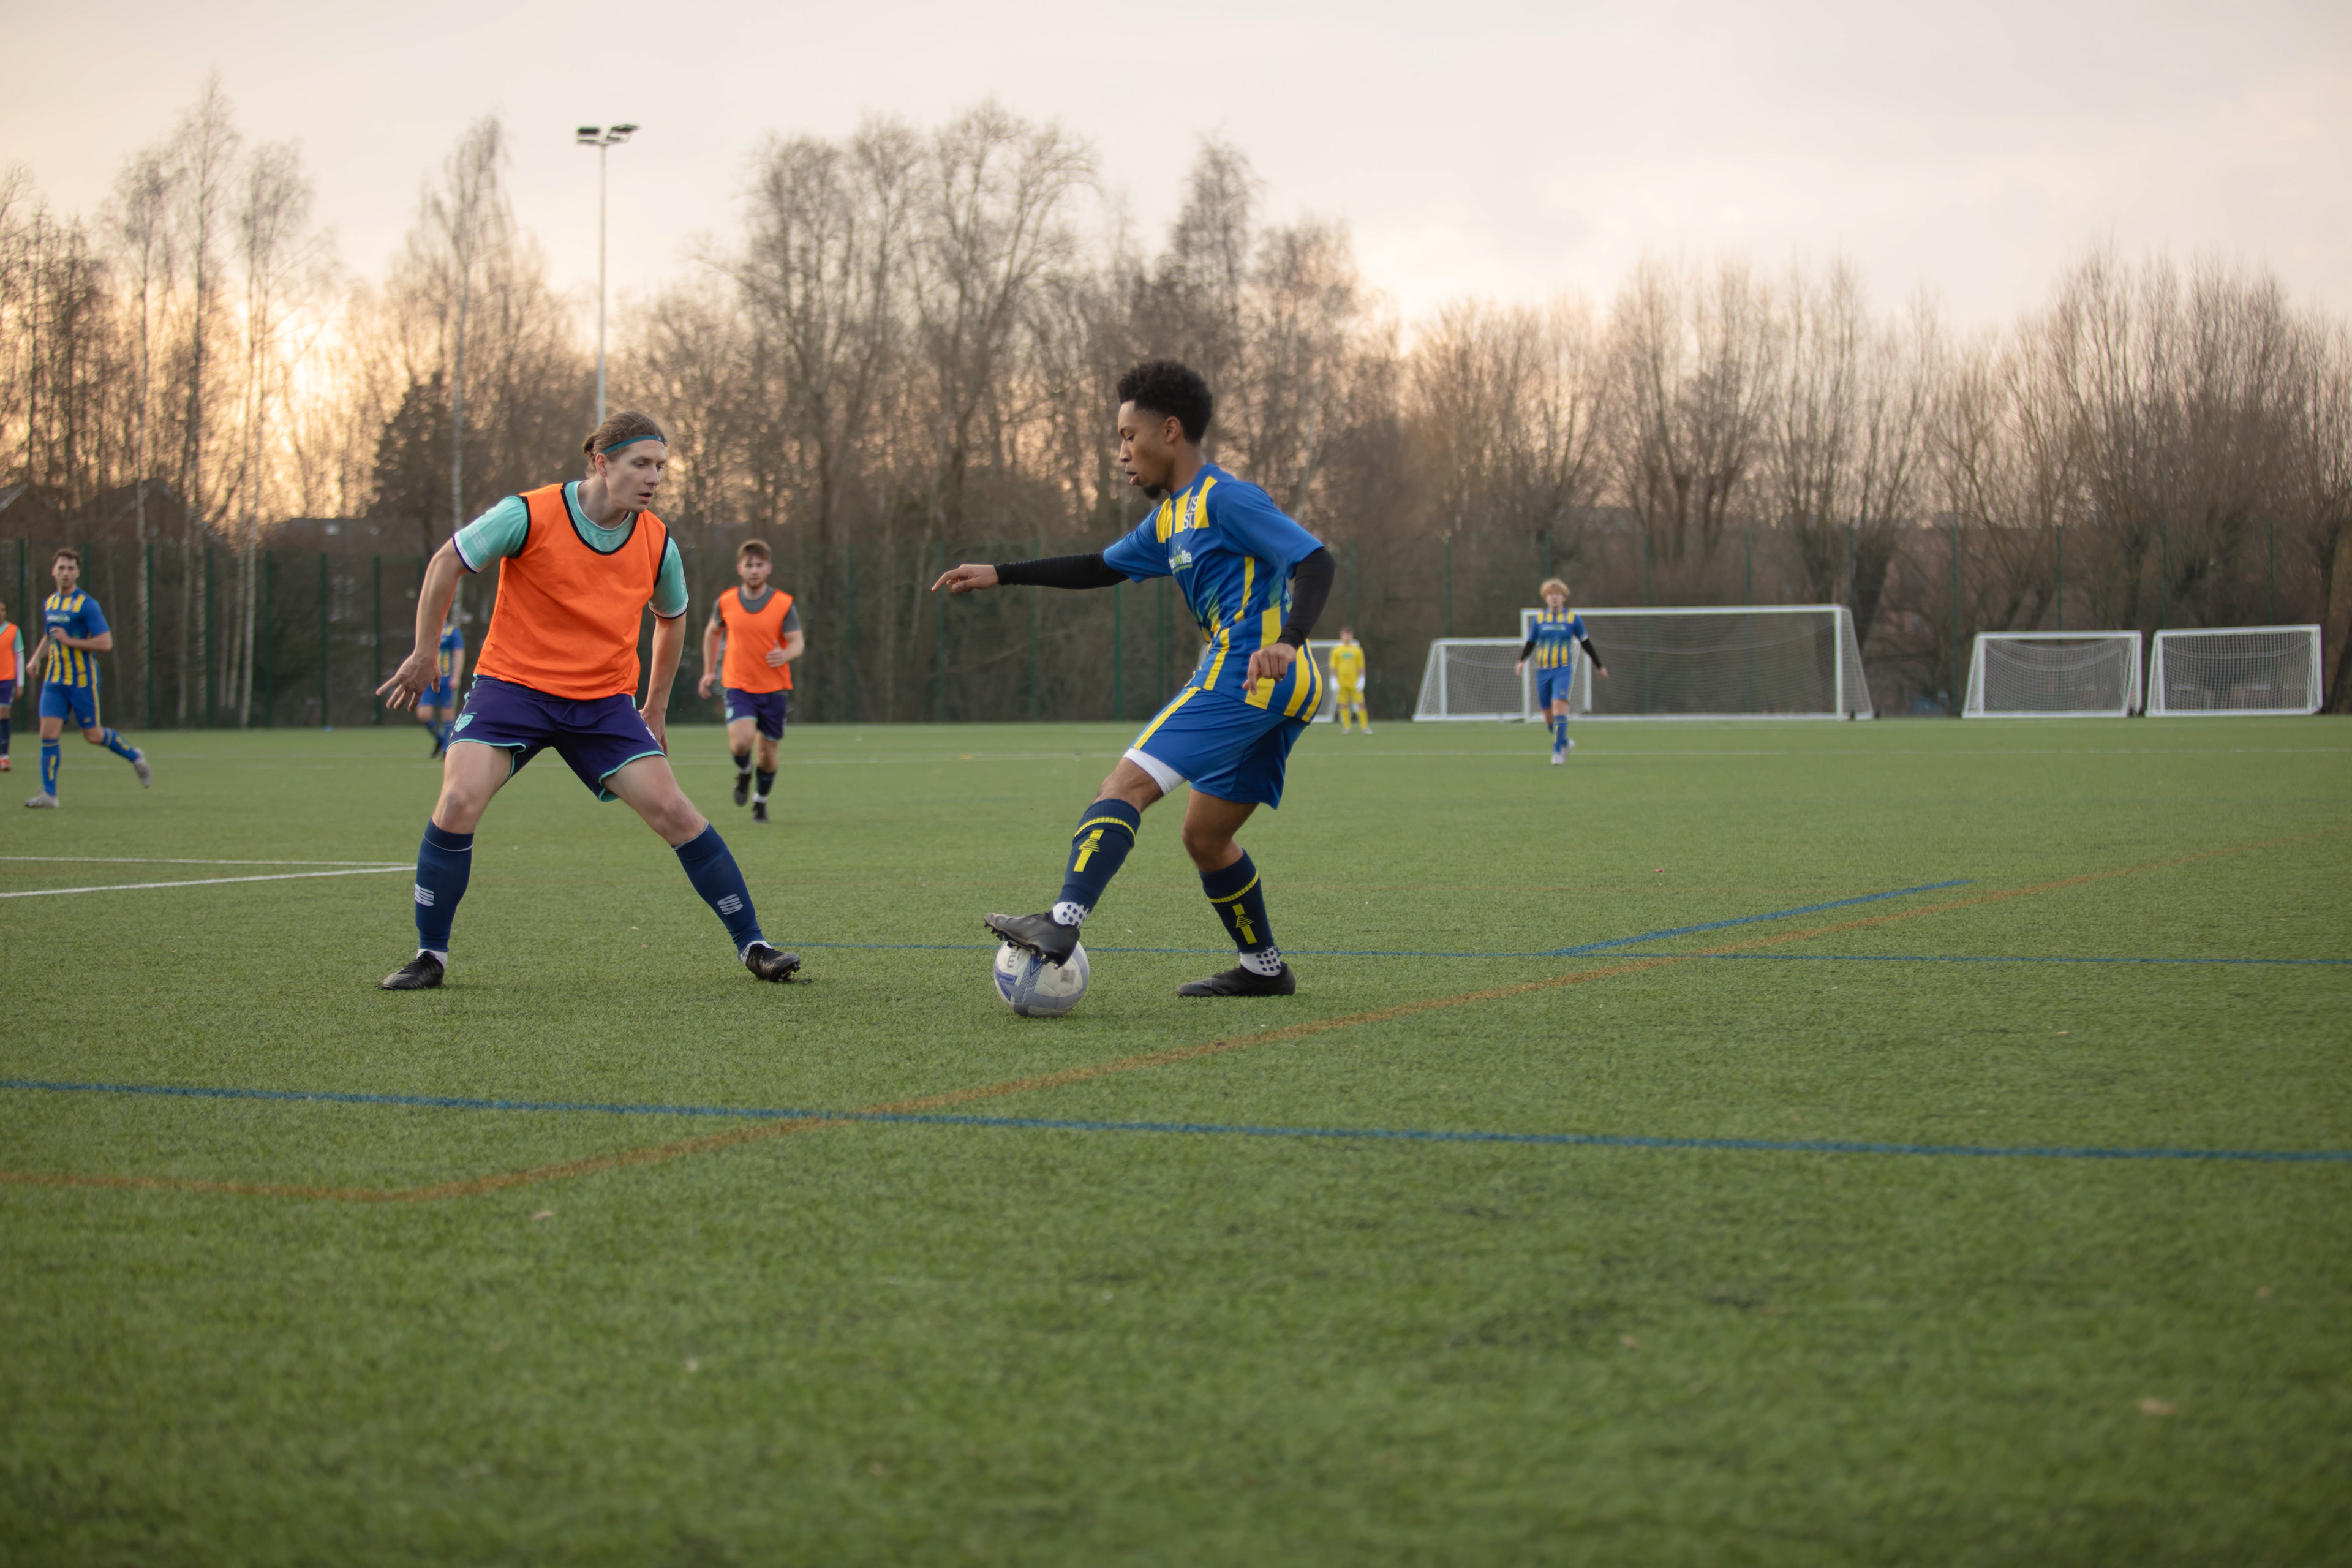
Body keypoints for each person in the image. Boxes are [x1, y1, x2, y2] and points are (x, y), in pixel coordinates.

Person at [932, 359, 1335, 998]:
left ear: (1169, 431)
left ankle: (1063, 921)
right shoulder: (1171, 518)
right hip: (1279, 687)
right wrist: (1001, 573)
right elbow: (1099, 567)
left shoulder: (1224, 498)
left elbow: (1314, 559)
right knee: (1206, 837)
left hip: (1247, 670)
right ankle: (1264, 969)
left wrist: (1286, 642)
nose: (1121, 452)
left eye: (1128, 436)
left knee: (1124, 784)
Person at [371, 410, 801, 990]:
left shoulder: (658, 542)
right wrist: (426, 652)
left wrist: (655, 706)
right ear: (602, 463)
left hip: (602, 703)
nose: (654, 478)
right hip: (511, 690)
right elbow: (448, 560)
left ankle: (754, 945)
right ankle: (431, 956)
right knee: (457, 801)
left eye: (660, 467)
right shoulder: (528, 513)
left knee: (677, 813)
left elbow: (671, 619)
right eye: (641, 464)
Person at [21, 549, 153, 808]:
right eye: (61, 568)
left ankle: (135, 757)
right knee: (48, 733)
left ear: (78, 573)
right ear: (53, 571)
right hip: (55, 680)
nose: (66, 573)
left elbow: (106, 643)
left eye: (71, 568)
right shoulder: (50, 603)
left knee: (92, 735)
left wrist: (70, 641)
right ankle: (49, 795)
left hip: (82, 680)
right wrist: (36, 658)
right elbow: (50, 635)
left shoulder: (87, 605)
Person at [698, 538, 803, 824]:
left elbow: (797, 643)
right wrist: (709, 671)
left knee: (767, 755)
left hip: (775, 689)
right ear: (739, 569)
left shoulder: (783, 604)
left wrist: (785, 654)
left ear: (768, 568)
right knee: (741, 743)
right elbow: (712, 633)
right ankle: (744, 772)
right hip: (738, 685)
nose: (754, 570)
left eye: (759, 565)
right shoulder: (726, 602)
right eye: (749, 565)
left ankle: (760, 802)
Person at [1514, 577, 1607, 764]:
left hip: (1563, 670)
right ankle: (1564, 742)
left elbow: (1586, 643)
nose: (1554, 598)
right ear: (1545, 598)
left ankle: (1557, 752)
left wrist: (1599, 666)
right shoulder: (1539, 620)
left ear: (1564, 597)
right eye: (1550, 595)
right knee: (1548, 716)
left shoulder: (1573, 619)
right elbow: (1531, 642)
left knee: (1559, 706)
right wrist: (1522, 661)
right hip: (1543, 671)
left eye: (1557, 594)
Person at [417, 608, 468, 757]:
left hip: (446, 679)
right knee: (423, 714)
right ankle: (440, 740)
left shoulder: (453, 632)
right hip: (428, 680)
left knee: (447, 715)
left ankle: (447, 748)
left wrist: (456, 677)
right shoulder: (426, 632)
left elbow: (459, 655)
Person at [1329, 627, 1370, 733]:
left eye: (1349, 635)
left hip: (1355, 682)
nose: (1347, 637)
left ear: (1352, 636)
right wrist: (1333, 679)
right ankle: (1347, 727)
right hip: (1341, 682)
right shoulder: (1337, 651)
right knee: (1343, 705)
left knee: (1361, 704)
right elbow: (1333, 666)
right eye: (1345, 635)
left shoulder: (1357, 650)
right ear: (1341, 636)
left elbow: (1361, 666)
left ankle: (1364, 727)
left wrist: (1362, 679)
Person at [0, 598, 21, 772]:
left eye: (2, 609)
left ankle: (4, 757)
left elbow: (19, 657)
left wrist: (20, 684)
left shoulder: (13, 630)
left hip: (6, 680)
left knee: (3, 715)